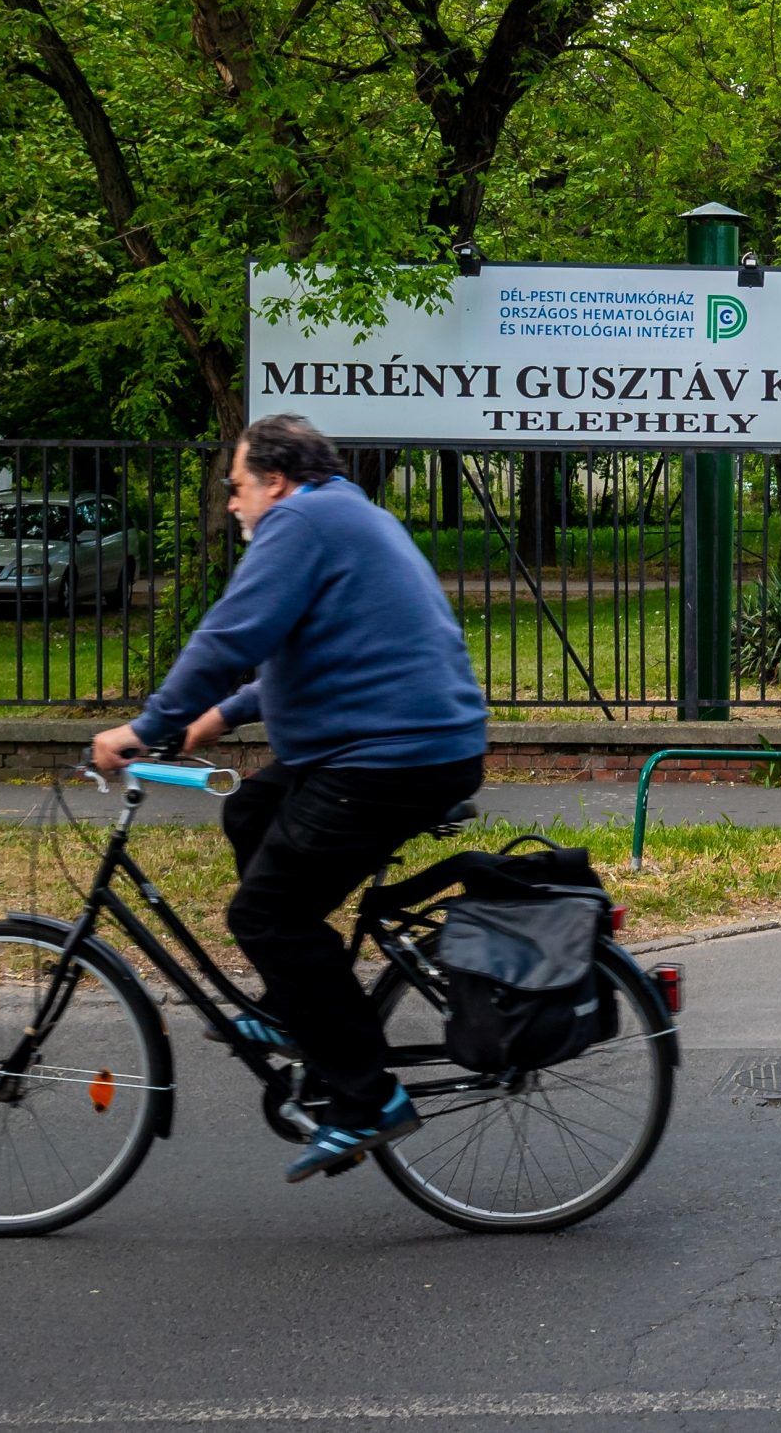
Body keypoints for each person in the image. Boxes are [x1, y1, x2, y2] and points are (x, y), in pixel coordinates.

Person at [88, 415, 488, 1182]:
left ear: (274, 477)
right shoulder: (343, 512)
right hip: (398, 746)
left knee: (266, 914)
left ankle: (366, 1096)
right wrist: (217, 716)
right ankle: (294, 1003)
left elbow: (232, 635)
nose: (232, 505)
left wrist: (148, 726)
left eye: (235, 487)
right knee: (249, 810)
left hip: (394, 759)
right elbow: (315, 650)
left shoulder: (302, 518)